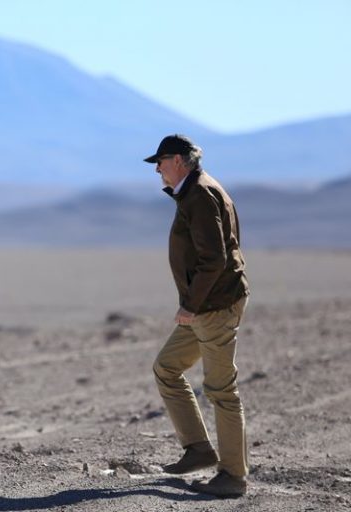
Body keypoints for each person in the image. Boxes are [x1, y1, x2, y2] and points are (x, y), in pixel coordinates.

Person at [143, 134, 250, 498]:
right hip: (205, 305)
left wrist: (191, 304)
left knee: (221, 390)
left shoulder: (200, 194)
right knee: (167, 367)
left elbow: (215, 259)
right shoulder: (194, 192)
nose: (157, 169)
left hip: (213, 306)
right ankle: (198, 449)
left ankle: (233, 476)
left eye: (160, 162)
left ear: (177, 161)